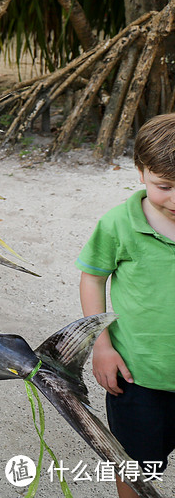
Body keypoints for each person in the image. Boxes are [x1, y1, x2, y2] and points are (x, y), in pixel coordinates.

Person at [78, 113, 175, 498]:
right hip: (138, 374)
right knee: (134, 464)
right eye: (164, 186)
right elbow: (93, 277)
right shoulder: (119, 223)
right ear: (141, 173)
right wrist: (100, 347)